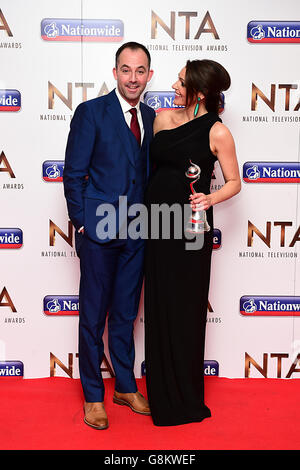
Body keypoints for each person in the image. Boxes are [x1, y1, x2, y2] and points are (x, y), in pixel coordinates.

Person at [63, 42, 155, 430]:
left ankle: (125, 385)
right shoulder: (91, 113)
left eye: (140, 71)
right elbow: (73, 174)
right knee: (92, 314)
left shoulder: (152, 117)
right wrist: (82, 223)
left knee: (125, 313)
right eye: (126, 70)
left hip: (137, 233)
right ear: (115, 72)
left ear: (149, 75)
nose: (132, 78)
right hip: (99, 233)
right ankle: (93, 395)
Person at [144, 59, 241, 426]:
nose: (173, 85)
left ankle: (184, 398)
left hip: (190, 229)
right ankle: (161, 392)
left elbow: (234, 181)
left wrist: (210, 199)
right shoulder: (162, 120)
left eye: (181, 81)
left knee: (184, 308)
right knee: (158, 304)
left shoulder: (217, 132)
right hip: (156, 225)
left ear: (199, 92)